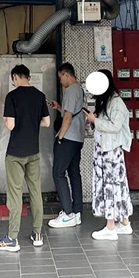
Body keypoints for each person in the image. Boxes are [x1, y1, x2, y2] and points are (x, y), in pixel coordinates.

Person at [0, 64, 51, 252]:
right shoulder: (40, 96)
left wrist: (4, 119)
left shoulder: (12, 96)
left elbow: (10, 125)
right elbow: (47, 122)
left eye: (13, 79)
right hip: (33, 151)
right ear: (29, 77)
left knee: (15, 194)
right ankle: (37, 234)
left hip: (16, 153)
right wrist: (32, 123)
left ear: (16, 77)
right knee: (35, 192)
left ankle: (12, 238)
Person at [83, 69, 133, 240]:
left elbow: (115, 126)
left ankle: (110, 227)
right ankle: (125, 223)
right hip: (106, 150)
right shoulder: (108, 100)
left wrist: (94, 120)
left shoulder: (116, 102)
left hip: (110, 152)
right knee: (117, 185)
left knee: (109, 186)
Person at [48, 62, 85, 229]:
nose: (60, 81)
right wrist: (59, 107)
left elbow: (68, 117)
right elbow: (71, 111)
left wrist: (60, 137)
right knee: (74, 173)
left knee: (58, 173)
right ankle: (76, 212)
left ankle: (67, 214)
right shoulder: (79, 89)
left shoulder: (70, 90)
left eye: (60, 78)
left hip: (68, 138)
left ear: (66, 74)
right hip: (78, 139)